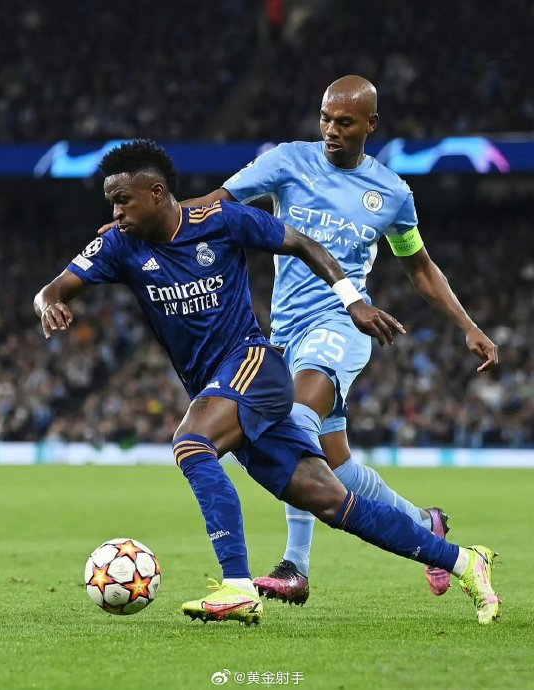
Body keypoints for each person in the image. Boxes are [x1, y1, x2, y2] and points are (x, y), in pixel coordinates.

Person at [38, 139, 500, 626]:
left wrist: (352, 300)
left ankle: (237, 586)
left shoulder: (221, 221)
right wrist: (50, 304)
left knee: (192, 443)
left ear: (156, 193)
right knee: (332, 501)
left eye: (122, 200)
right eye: (111, 203)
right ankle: (463, 560)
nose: (115, 213)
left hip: (254, 365)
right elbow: (51, 289)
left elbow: (302, 243)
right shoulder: (118, 246)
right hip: (222, 387)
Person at [172, 75, 499, 605]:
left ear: (371, 124)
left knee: (293, 420)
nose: (331, 130)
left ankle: (294, 566)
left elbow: (419, 266)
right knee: (337, 466)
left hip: (344, 324)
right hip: (284, 333)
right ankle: (426, 523)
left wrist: (468, 325)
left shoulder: (391, 193)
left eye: (345, 122)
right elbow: (216, 204)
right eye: (325, 118)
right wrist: (150, 224)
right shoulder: (287, 161)